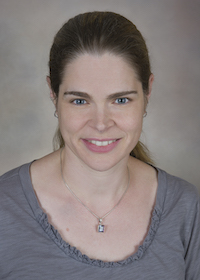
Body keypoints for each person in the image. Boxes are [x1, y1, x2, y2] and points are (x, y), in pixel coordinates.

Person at [0, 11, 199, 280]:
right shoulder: (5, 207)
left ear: (147, 92)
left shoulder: (186, 208)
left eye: (121, 100)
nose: (101, 123)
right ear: (53, 94)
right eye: (80, 101)